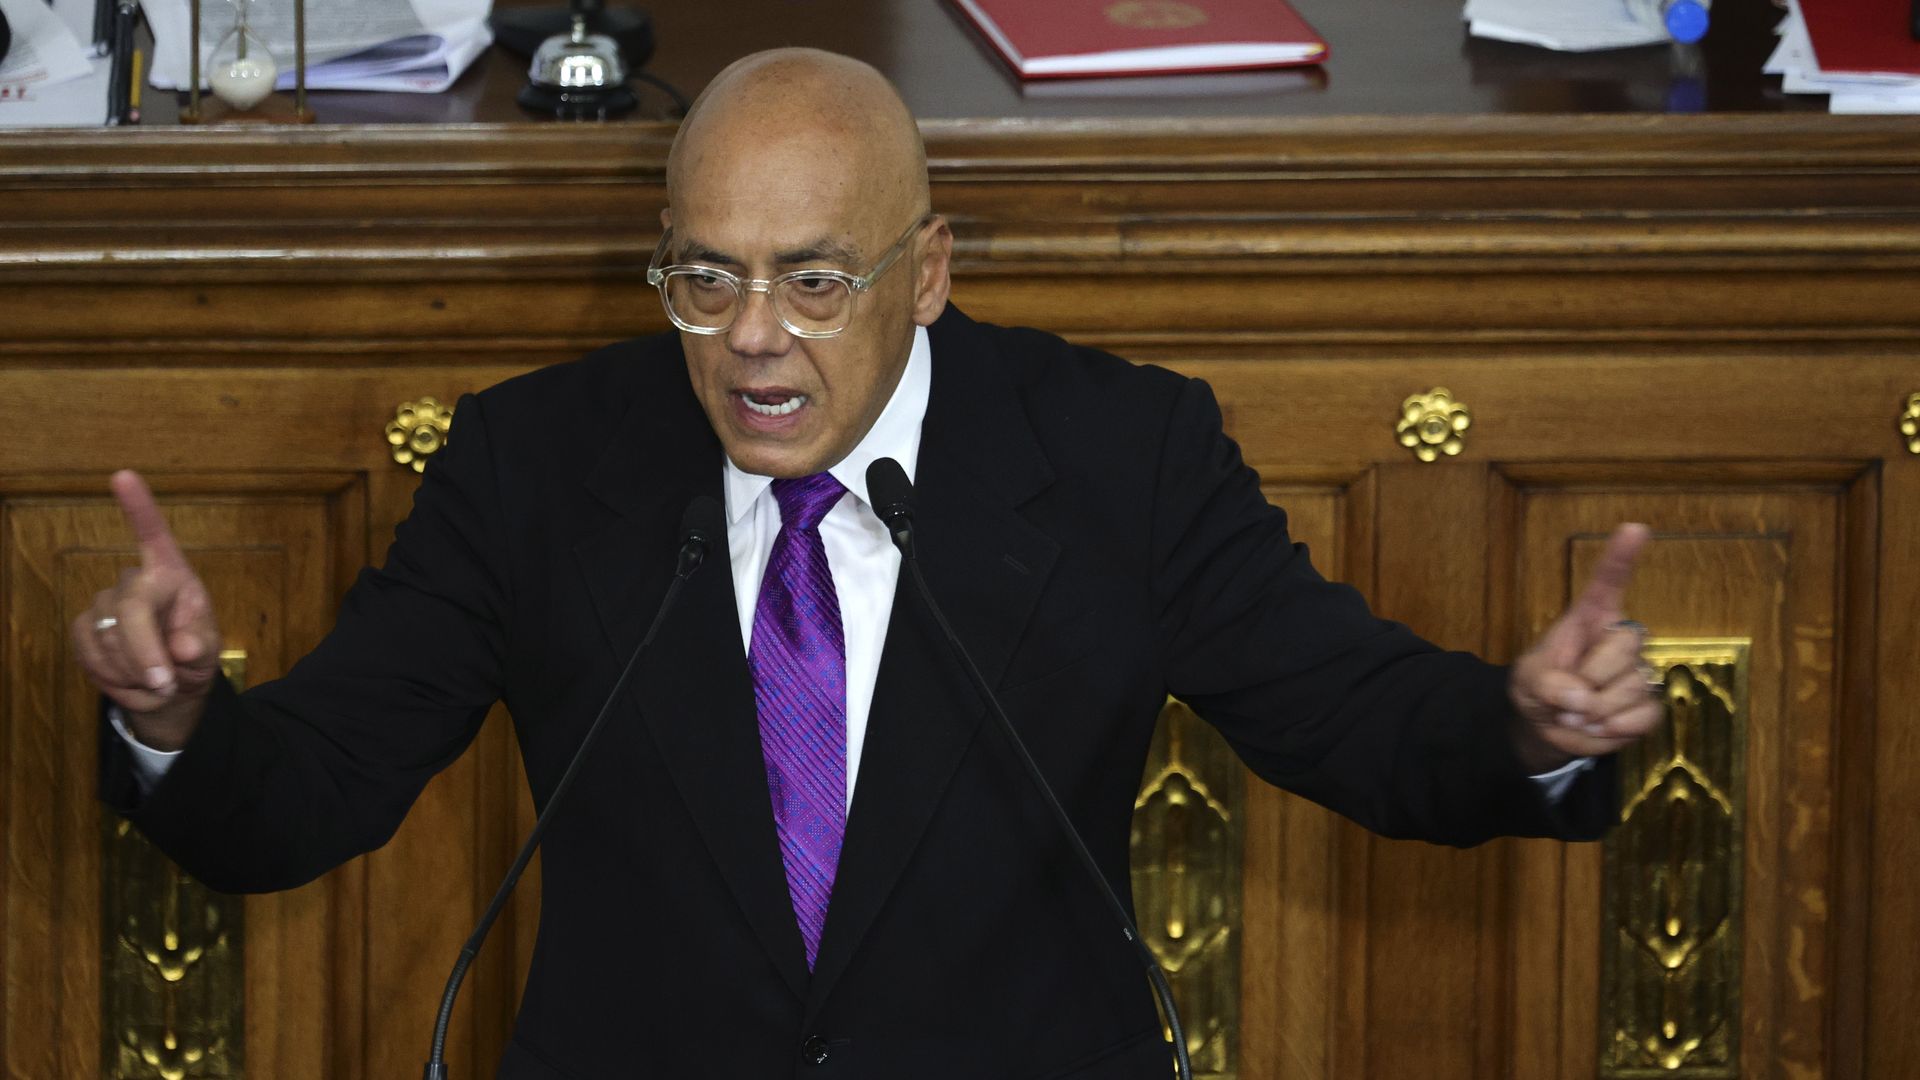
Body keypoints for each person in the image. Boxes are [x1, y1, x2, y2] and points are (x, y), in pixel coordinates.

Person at [74, 49, 1663, 1080]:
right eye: (705, 279)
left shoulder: (1120, 456)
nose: (752, 338)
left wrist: (1528, 724)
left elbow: (1359, 719)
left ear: (930, 271)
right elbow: (308, 792)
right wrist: (178, 717)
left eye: (815, 281)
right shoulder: (536, 465)